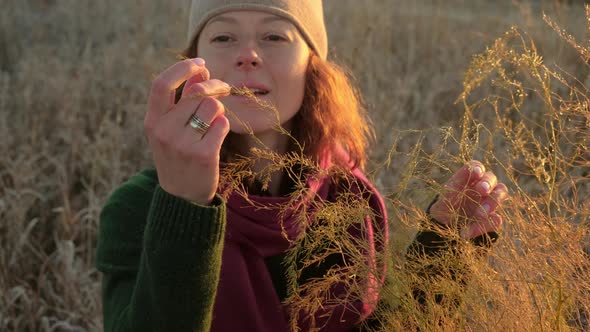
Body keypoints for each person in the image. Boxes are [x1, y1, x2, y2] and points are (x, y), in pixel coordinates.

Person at [95, 1, 509, 331]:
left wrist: (443, 247)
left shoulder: (349, 202)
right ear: (193, 67)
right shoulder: (139, 208)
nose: (247, 55)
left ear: (314, 68)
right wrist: (184, 206)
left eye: (275, 36)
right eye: (223, 37)